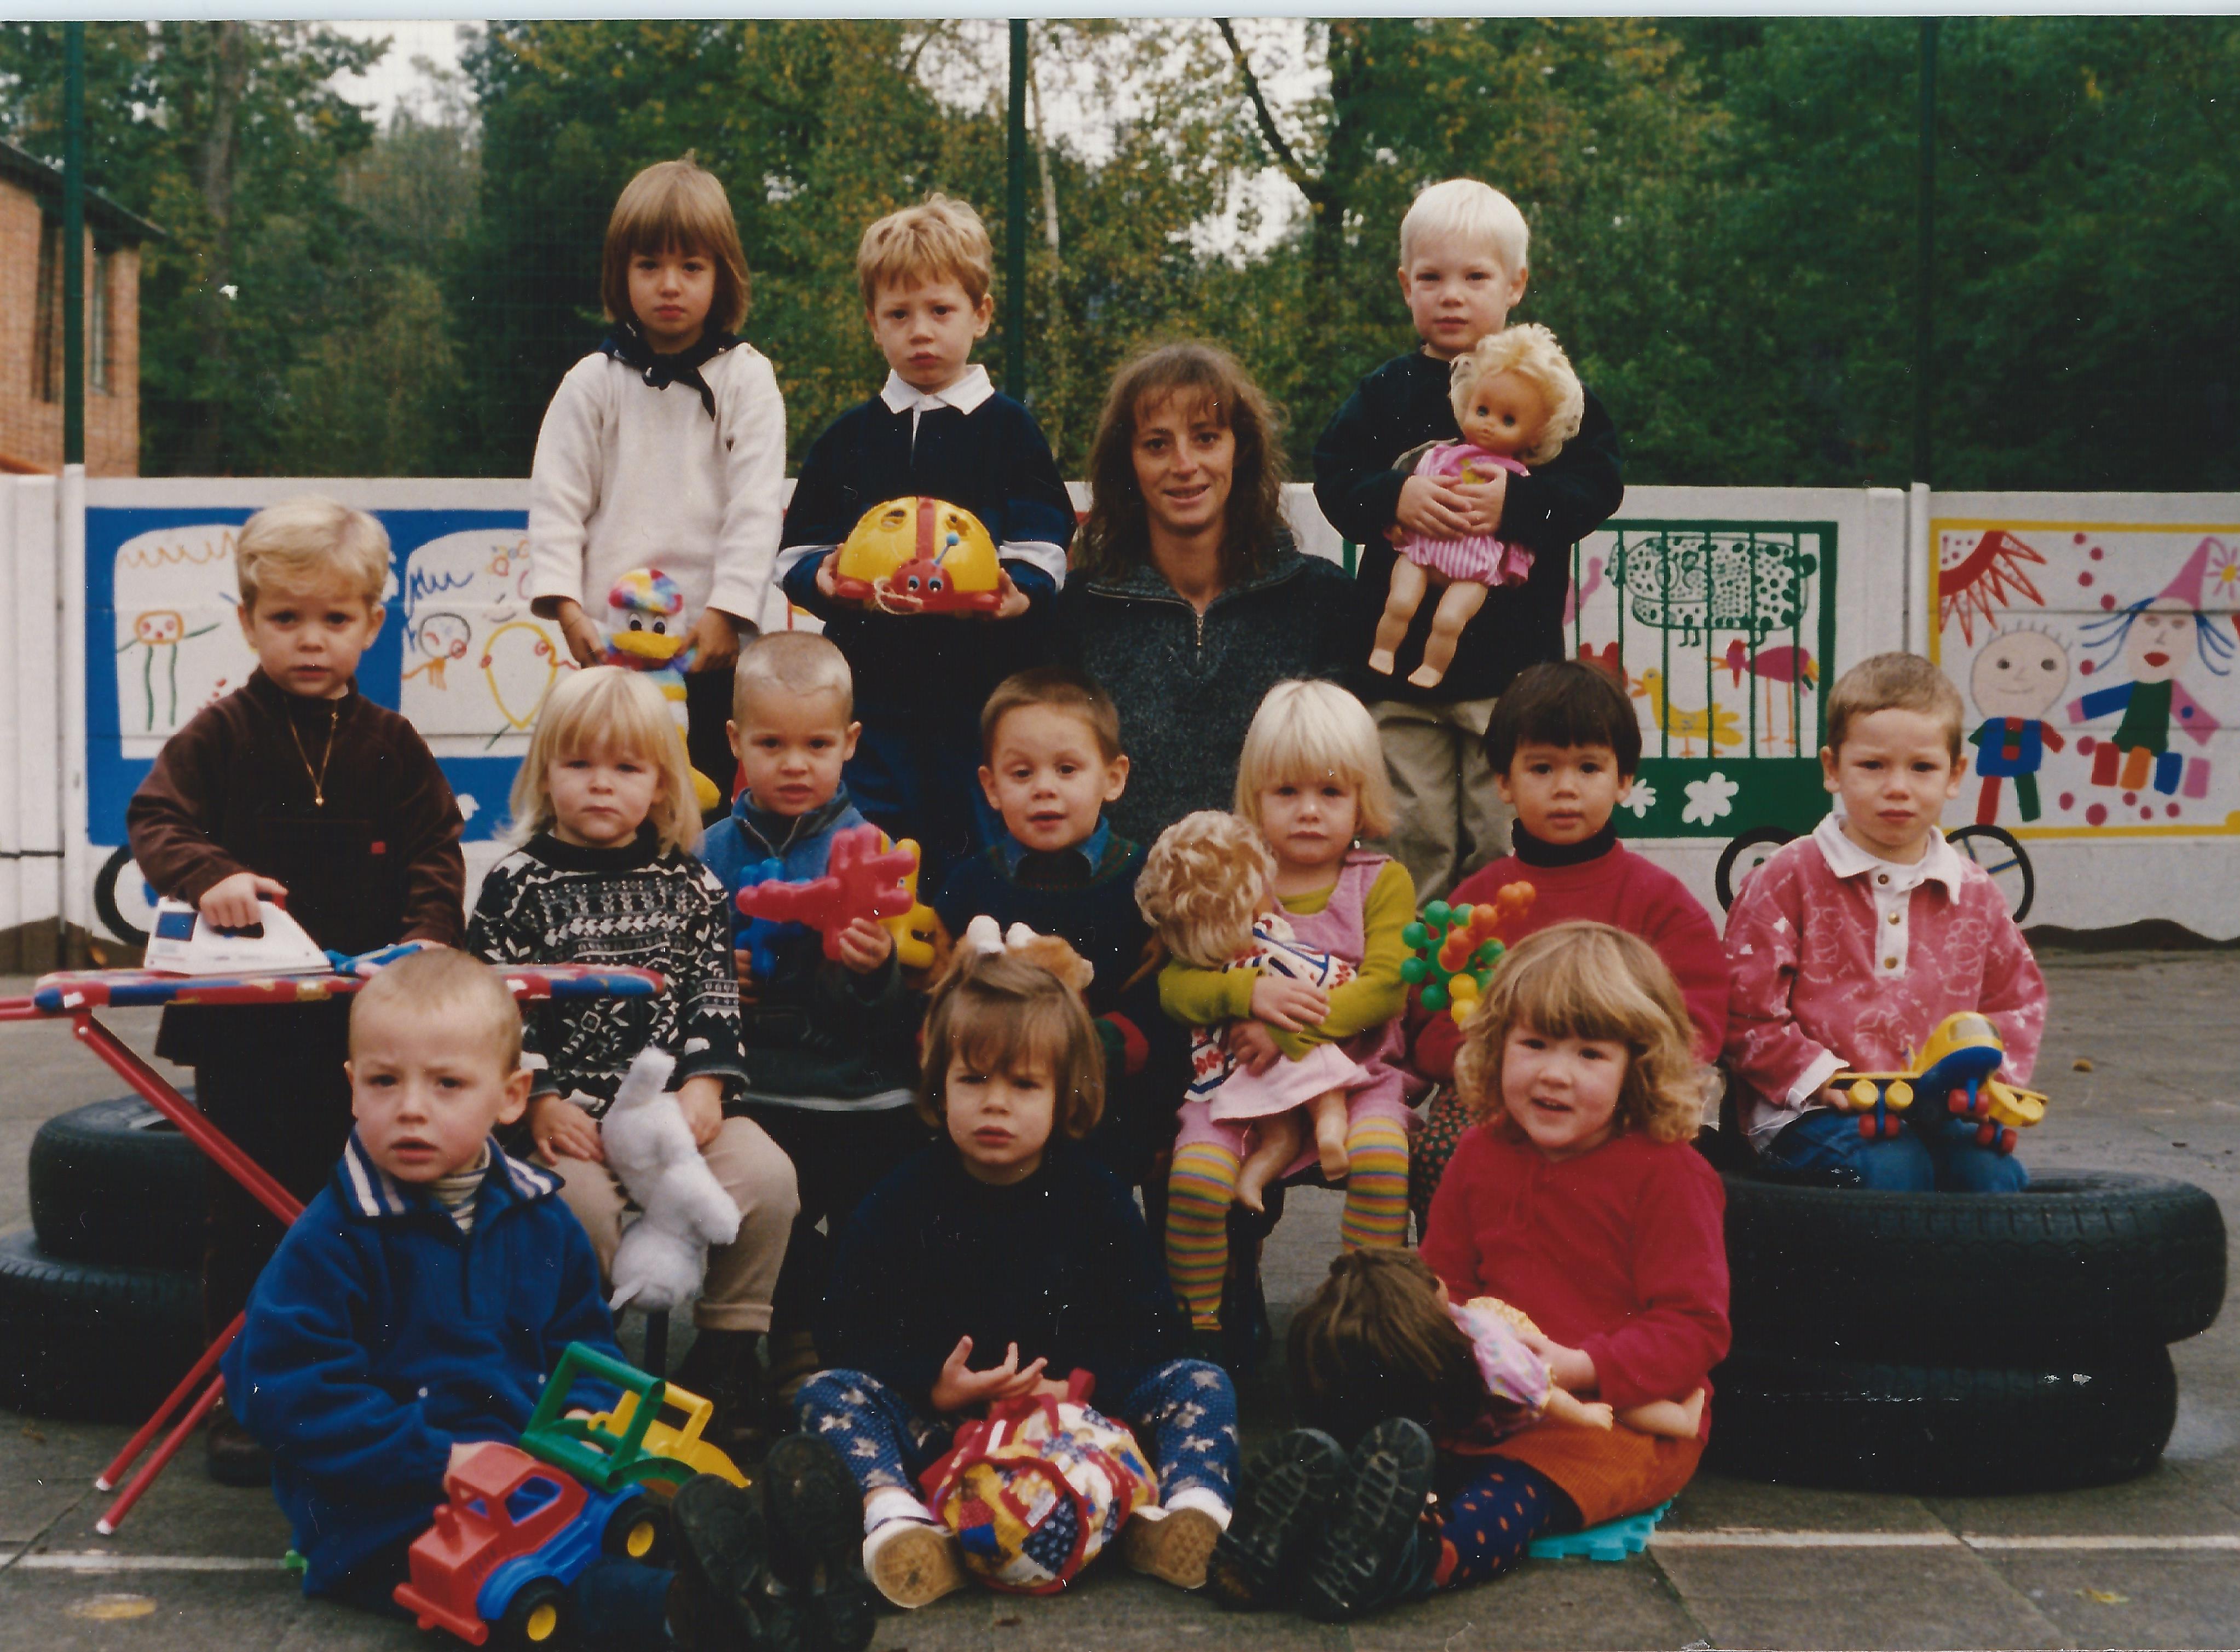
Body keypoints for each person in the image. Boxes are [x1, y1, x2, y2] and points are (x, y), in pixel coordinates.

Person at [218, 949, 874, 1651]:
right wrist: (439, 1458)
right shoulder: (335, 1237)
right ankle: (699, 1617)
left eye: (447, 1084)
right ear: (353, 1089)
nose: (411, 1108)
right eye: (384, 1081)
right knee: (532, 1592)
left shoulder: (539, 1216)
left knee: (634, 1516)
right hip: (391, 1511)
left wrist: (591, 1421)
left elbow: (582, 1348)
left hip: (536, 1473)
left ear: (510, 1096)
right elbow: (278, 1388)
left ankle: (786, 1573)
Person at [1211, 923, 1729, 1621]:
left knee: (1514, 1490)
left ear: (1639, 1067)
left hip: (1610, 1416)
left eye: (1589, 1054)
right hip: (1486, 1386)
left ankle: (1417, 1561)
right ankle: (1299, 1530)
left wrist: (1579, 1365)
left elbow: (1692, 1327)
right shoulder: (1482, 1153)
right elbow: (1444, 1278)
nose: (1553, 1072)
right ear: (1496, 1046)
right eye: (1535, 1044)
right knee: (1391, 1439)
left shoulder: (1669, 1174)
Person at [125, 495, 465, 1486]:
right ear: (247, 623)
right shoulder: (221, 733)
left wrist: (425, 941)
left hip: (369, 1029)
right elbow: (155, 818)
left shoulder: (393, 743)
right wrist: (209, 875)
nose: (310, 639)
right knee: (250, 1216)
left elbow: (434, 853)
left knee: (367, 1204)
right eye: (285, 618)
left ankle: (366, 1384)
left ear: (370, 623)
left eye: (333, 619)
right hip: (245, 1029)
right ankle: (248, 1394)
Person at [795, 950, 1240, 1609]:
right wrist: (934, 1386)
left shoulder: (1095, 1193)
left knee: (1201, 1381)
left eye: (1025, 1086)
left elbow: (1153, 1327)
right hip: (949, 1431)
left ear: (1066, 1095)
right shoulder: (904, 1196)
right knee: (828, 1393)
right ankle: (900, 1523)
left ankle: (1184, 1517)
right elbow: (847, 1327)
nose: (995, 1104)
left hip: (1083, 1429)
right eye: (973, 1081)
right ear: (940, 1085)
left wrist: (1079, 1388)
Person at [467, 666, 798, 1458]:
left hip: (670, 1112)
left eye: (626, 768)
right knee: (574, 1210)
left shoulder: (689, 884)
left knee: (770, 1180)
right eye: (579, 765)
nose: (601, 786)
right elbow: (498, 1004)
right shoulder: (516, 884)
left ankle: (724, 1355)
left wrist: (708, 1081)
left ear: (661, 783)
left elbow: (713, 993)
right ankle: (589, 1364)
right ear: (546, 772)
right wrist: (541, 1098)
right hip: (566, 1116)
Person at [1313, 178, 1625, 904]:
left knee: (1500, 833)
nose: (1452, 295)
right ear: (1405, 286)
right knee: (1410, 830)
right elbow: (1334, 475)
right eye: (1432, 278)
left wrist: (1516, 505)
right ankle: (1414, 990)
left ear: (1516, 284)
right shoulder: (1386, 392)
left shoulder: (1548, 387)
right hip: (1398, 675)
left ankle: (1503, 980)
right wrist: (1396, 495)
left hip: (1511, 674)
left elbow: (1597, 483)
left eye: (1475, 277)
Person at [776, 194, 1074, 892]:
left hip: (982, 689)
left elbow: (1046, 533)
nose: (921, 333)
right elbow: (797, 548)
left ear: (982, 315)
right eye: (899, 315)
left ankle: (972, 967)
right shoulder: (850, 437)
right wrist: (822, 576)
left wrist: (1015, 589)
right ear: (873, 325)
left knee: (977, 850)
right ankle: (882, 977)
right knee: (872, 847)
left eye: (941, 311)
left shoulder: (1009, 429)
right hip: (873, 693)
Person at [1406, 661, 1730, 1222]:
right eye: (1541, 768)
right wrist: (1489, 1068)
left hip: (1628, 1094)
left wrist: (1625, 1077)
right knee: (1444, 1152)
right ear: (1503, 782)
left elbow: (1698, 1021)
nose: (1566, 789)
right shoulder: (1477, 904)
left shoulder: (1660, 902)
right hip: (1497, 1099)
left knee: (1672, 1163)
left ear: (1624, 779)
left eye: (1588, 767)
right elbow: (1430, 1024)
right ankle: (1465, 1293)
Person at [698, 632, 931, 1409]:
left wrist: (870, 971)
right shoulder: (709, 853)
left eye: (817, 744)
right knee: (761, 1175)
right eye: (771, 744)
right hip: (759, 1082)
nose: (795, 764)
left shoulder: (869, 849)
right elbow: (681, 976)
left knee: (887, 1187)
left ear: (850, 744)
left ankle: (842, 1335)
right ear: (736, 742)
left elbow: (898, 1012)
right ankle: (781, 1331)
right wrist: (713, 979)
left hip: (857, 1080)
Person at [1725, 653, 2046, 1192]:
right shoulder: (1789, 877)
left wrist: (1991, 1087)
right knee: (1893, 1171)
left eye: (1921, 767)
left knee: (1995, 1179)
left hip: (1935, 1110)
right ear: (1832, 768)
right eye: (1873, 766)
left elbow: (2017, 1000)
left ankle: (1969, 1279)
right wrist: (1818, 1076)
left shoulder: (1975, 892)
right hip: (1805, 1109)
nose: (1897, 787)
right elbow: (1741, 1005)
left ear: (1954, 775)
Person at [1157, 683, 1416, 1342]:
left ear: (1363, 800)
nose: (1308, 812)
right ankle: (1200, 1326)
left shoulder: (1382, 880)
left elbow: (1387, 988)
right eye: (1286, 793)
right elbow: (1177, 985)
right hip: (1246, 1085)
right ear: (1255, 799)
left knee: (1384, 1160)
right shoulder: (1236, 878)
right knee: (1194, 1178)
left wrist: (1284, 1025)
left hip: (1358, 1078)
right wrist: (1244, 995)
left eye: (1331, 793)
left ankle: (1365, 1318)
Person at [528, 156, 787, 810]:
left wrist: (728, 613)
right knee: (611, 798)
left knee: (701, 802)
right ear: (621, 273)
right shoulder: (593, 380)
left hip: (708, 649)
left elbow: (757, 507)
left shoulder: (747, 379)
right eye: (649, 266)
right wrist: (566, 609)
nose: (669, 285)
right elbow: (557, 500)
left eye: (691, 267)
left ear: (721, 275)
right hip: (611, 642)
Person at [1048, 341, 1355, 848]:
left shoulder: (1325, 600)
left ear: (1242, 450)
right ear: (1128, 464)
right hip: (1121, 911)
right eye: (1156, 445)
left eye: (1207, 438)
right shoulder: (1079, 611)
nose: (1184, 464)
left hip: (1283, 908)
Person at [930, 666, 1181, 1189]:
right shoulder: (971, 884)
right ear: (991, 786)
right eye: (1021, 775)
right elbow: (936, 991)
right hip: (995, 1101)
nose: (1045, 789)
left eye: (1067, 770)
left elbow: (1162, 1005)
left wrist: (1084, 1049)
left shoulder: (1147, 882)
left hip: (1110, 1101)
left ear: (1113, 777)